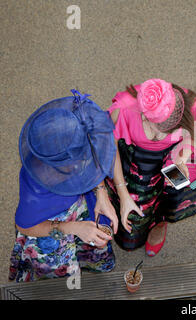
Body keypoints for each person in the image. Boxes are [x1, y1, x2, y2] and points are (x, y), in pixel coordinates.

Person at [9, 90, 118, 282]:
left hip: (81, 209)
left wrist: (101, 194)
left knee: (92, 238)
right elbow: (25, 226)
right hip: (55, 226)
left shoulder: (72, 141)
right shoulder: (36, 187)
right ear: (60, 167)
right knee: (60, 270)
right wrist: (75, 227)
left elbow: (93, 160)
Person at [106, 78, 196, 255]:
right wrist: (123, 193)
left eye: (169, 131)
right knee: (137, 205)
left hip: (174, 157)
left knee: (173, 195)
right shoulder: (124, 109)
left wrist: (183, 157)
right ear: (143, 114)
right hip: (137, 160)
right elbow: (109, 148)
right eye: (156, 128)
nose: (159, 136)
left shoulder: (195, 107)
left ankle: (160, 224)